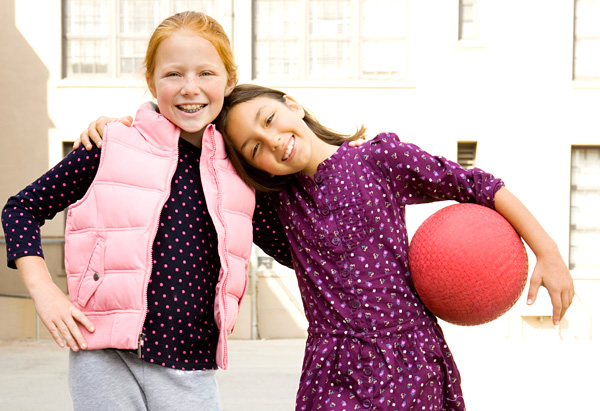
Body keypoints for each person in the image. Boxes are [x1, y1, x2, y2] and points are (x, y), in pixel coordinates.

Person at [208, 84, 574, 410]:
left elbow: (479, 186)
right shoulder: (278, 205)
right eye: (254, 146)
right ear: (255, 167)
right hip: (332, 372)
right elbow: (211, 180)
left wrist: (548, 251)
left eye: (269, 118)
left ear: (293, 104)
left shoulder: (379, 160)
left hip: (411, 363)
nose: (271, 139)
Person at [1, 13, 293, 411]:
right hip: (104, 354)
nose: (190, 88)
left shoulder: (240, 169)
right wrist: (44, 293)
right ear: (151, 81)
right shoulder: (109, 145)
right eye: (173, 74)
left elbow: (295, 249)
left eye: (205, 72)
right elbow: (21, 209)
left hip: (191, 366)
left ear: (228, 80)